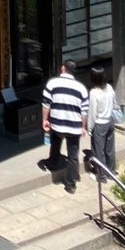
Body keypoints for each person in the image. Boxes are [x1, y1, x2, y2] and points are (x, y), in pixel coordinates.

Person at [40, 58, 90, 194]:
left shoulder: (53, 83)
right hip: (74, 125)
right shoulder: (81, 89)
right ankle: (71, 184)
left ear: (63, 68)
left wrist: (45, 119)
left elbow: (46, 104)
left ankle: (53, 162)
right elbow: (84, 111)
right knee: (73, 155)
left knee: (55, 141)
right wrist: (83, 126)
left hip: (57, 123)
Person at [87, 65, 118, 175]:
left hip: (99, 124)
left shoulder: (94, 93)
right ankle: (112, 171)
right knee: (110, 148)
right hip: (110, 121)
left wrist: (89, 129)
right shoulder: (109, 87)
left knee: (98, 151)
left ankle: (101, 175)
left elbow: (92, 113)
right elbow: (115, 103)